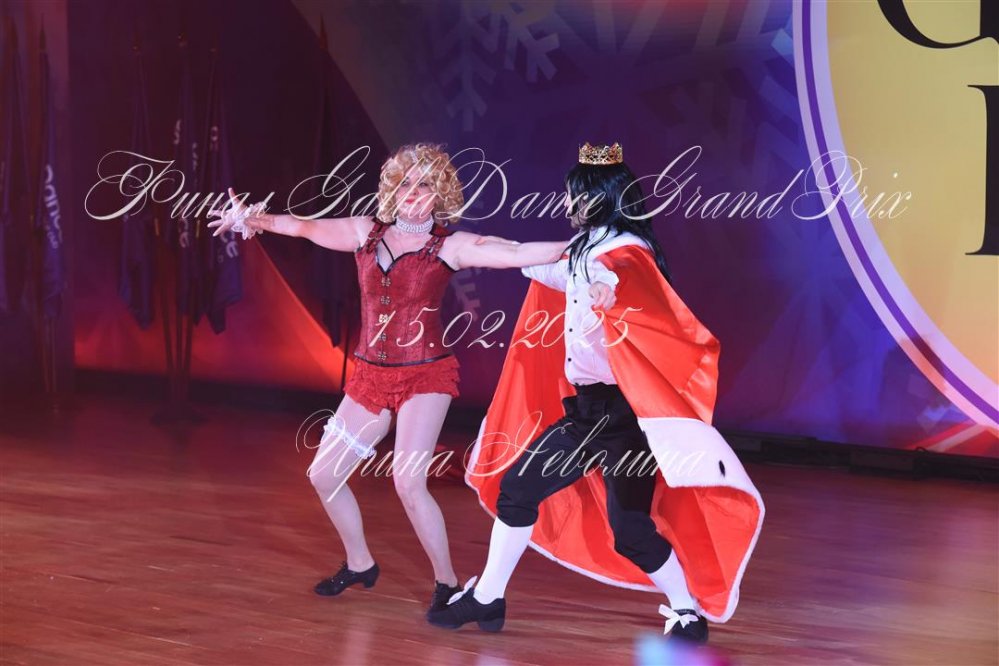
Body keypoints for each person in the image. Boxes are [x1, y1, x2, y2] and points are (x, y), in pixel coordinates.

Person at [208, 143, 572, 616]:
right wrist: (253, 220)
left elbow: (516, 252)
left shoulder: (450, 246)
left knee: (407, 482)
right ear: (392, 189)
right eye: (405, 184)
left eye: (424, 185)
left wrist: (580, 246)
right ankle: (360, 563)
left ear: (439, 193)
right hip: (370, 376)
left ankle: (447, 583)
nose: (412, 193)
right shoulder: (365, 232)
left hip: (425, 375)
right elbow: (302, 226)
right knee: (323, 475)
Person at [427, 143, 765, 641]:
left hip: (625, 417)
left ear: (601, 197)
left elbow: (620, 272)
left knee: (629, 530)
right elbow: (535, 263)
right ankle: (488, 598)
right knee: (519, 491)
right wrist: (478, 248)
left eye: (575, 195)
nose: (567, 204)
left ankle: (687, 611)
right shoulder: (585, 248)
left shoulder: (626, 249)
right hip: (588, 414)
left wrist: (606, 286)